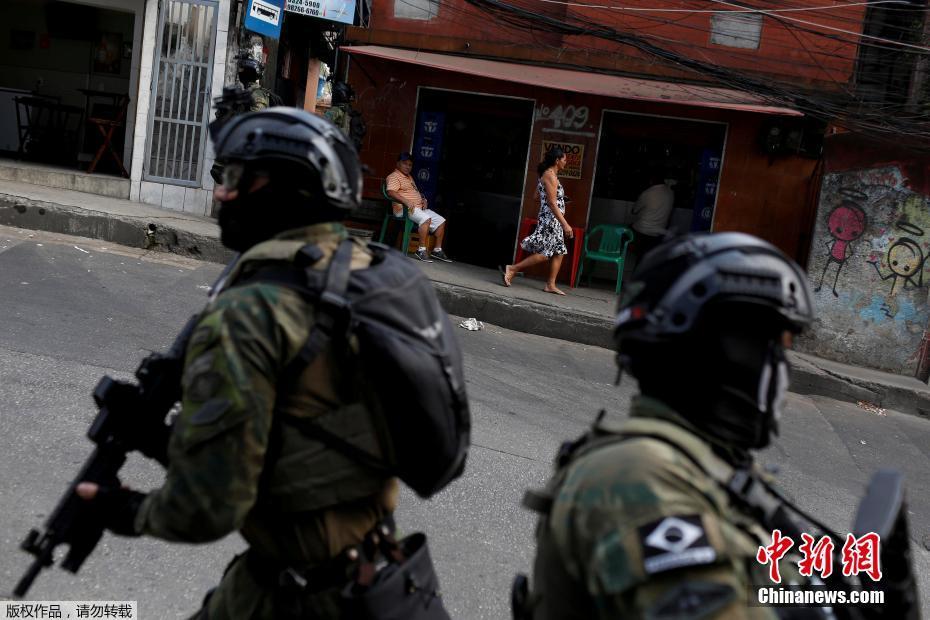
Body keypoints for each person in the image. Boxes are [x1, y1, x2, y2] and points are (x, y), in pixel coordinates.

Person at [75, 109, 399, 619]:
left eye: (233, 178)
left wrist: (127, 510)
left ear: (286, 190)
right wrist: (166, 442)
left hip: (298, 598)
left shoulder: (248, 315)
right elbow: (302, 435)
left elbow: (209, 508)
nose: (221, 194)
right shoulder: (362, 273)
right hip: (381, 572)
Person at [521, 232, 826, 619]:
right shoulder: (640, 476)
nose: (784, 368)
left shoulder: (706, 466)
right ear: (722, 348)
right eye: (778, 347)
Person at [502, 147, 574, 295]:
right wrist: (565, 224)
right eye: (564, 160)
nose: (565, 163)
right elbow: (552, 204)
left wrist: (560, 199)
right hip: (551, 219)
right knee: (545, 253)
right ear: (557, 160)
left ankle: (550, 284)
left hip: (552, 218)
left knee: (559, 251)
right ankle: (513, 268)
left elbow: (537, 196)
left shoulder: (547, 175)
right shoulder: (550, 176)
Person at [385, 152, 452, 263]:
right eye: (404, 163)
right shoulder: (394, 176)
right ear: (398, 164)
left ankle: (437, 250)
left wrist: (423, 199)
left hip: (417, 208)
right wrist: (406, 201)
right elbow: (391, 192)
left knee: (441, 221)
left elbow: (414, 192)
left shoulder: (409, 177)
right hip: (404, 209)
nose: (407, 167)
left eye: (410, 165)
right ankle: (421, 250)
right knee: (425, 219)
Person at [631, 170, 674, 261]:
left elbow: (634, 211)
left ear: (652, 179)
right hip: (659, 233)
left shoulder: (648, 192)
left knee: (624, 234)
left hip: (642, 231)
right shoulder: (671, 193)